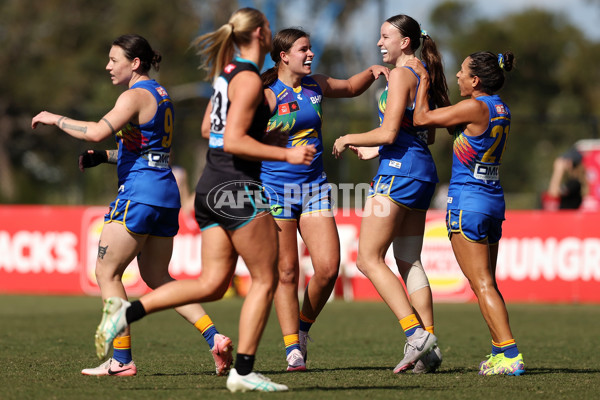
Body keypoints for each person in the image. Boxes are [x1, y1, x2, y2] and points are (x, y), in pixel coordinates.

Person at [91, 8, 316, 392]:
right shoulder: (246, 78)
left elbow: (208, 127)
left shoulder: (226, 75)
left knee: (212, 284)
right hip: (237, 187)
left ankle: (129, 312)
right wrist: (286, 153)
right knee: (266, 277)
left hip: (210, 186)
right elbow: (231, 139)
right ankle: (243, 372)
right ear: (261, 33)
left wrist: (262, 134)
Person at [31, 34, 233, 377]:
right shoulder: (160, 93)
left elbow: (96, 130)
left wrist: (55, 118)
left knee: (106, 272)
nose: (108, 66)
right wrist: (106, 157)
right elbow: (148, 152)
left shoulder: (133, 95)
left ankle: (122, 360)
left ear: (134, 63)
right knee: (159, 278)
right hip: (165, 194)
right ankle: (214, 338)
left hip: (139, 194)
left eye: (114, 60)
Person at [260, 28, 389, 372]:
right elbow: (240, 136)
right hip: (276, 191)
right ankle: (292, 350)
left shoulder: (316, 85)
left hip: (314, 188)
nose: (310, 54)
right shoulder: (267, 94)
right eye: (304, 49)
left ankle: (302, 329)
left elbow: (348, 87)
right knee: (287, 272)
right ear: (284, 56)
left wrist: (373, 72)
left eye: (311, 48)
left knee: (328, 270)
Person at [332, 14, 449, 373]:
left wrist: (349, 137)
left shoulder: (401, 74)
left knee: (368, 258)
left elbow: (387, 132)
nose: (380, 43)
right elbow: (422, 133)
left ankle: (416, 335)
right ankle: (429, 347)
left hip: (399, 174)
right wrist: (379, 150)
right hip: (420, 170)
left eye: (386, 37)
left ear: (406, 42)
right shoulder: (423, 71)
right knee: (409, 260)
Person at [407, 50, 526, 376]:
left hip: (467, 203)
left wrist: (424, 83)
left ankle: (511, 356)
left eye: (462, 72)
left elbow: (420, 119)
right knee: (488, 282)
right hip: (491, 201)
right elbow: (454, 123)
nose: (458, 76)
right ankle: (500, 351)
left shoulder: (473, 107)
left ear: (475, 80)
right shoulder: (499, 107)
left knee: (482, 284)